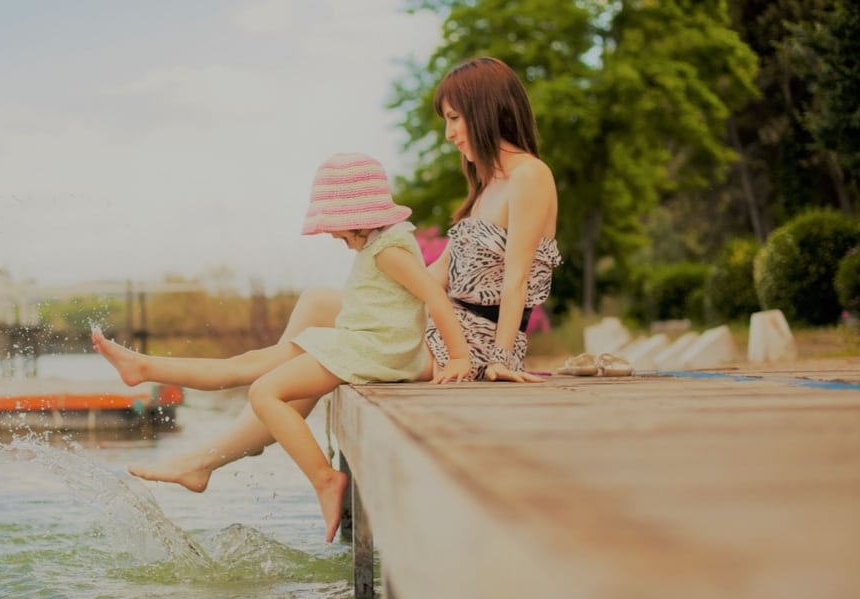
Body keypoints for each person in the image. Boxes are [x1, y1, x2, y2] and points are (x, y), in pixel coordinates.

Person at [107, 56, 561, 522]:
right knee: (317, 304)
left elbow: (516, 278)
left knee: (302, 363)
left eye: (454, 118)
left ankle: (222, 448)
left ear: (485, 110)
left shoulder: (529, 176)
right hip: (447, 325)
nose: (449, 134)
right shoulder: (487, 183)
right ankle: (247, 430)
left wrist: (500, 360)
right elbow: (438, 274)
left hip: (477, 344)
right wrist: (388, 284)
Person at [94, 153, 472, 542]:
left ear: (357, 218)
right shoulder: (383, 243)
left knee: (264, 392)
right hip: (364, 340)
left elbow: (433, 296)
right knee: (249, 363)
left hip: (374, 350)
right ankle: (144, 368)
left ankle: (324, 479)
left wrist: (459, 356)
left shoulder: (388, 250)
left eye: (337, 230)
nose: (334, 237)